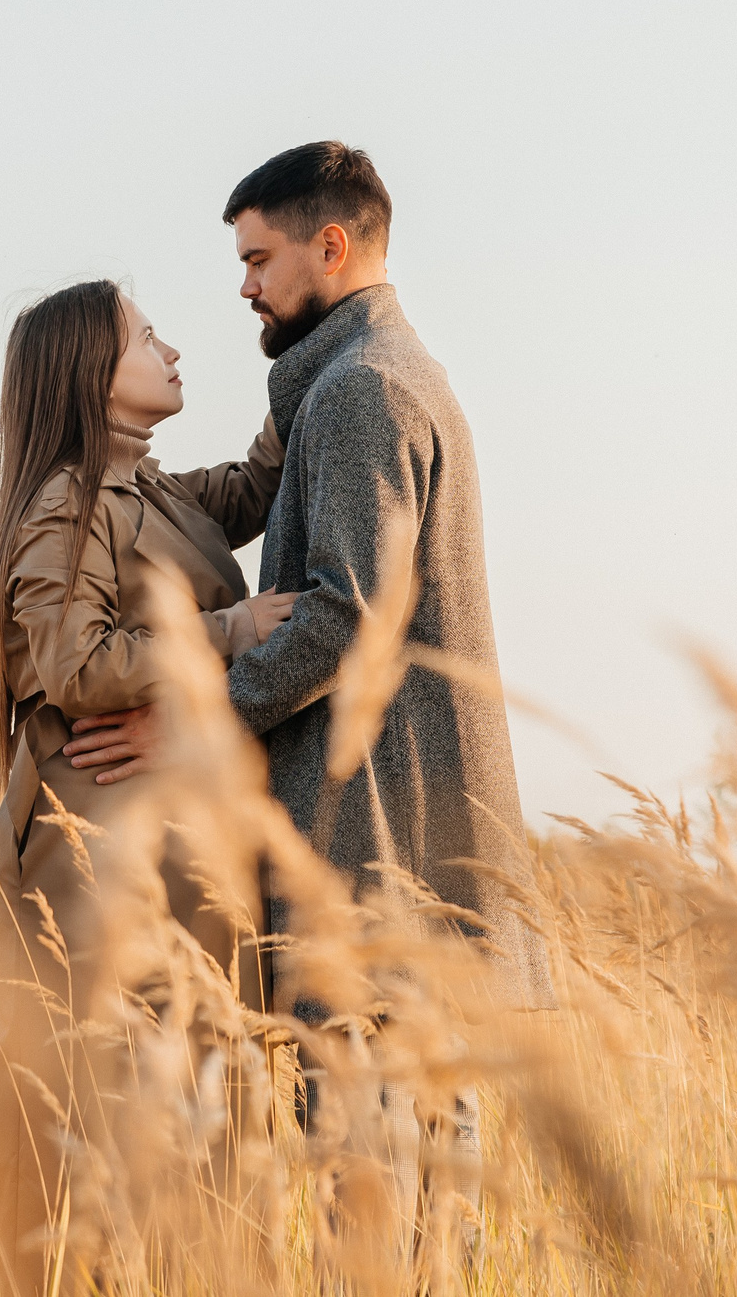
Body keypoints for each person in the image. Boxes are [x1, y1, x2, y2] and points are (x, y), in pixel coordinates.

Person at [0, 277, 298, 1295]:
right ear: (90, 378)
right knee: (98, 1097)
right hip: (96, 844)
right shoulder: (66, 502)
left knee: (189, 1087)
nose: (173, 351)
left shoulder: (149, 490)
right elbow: (73, 664)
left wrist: (310, 349)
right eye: (147, 339)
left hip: (164, 834)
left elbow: (252, 487)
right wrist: (229, 632)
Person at [218, 140, 554, 1017]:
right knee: (432, 1156)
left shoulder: (361, 388)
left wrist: (202, 712)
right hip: (405, 875)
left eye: (258, 259)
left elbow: (344, 615)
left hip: (373, 869)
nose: (245, 286)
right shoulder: (383, 374)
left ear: (330, 248)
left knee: (367, 1153)